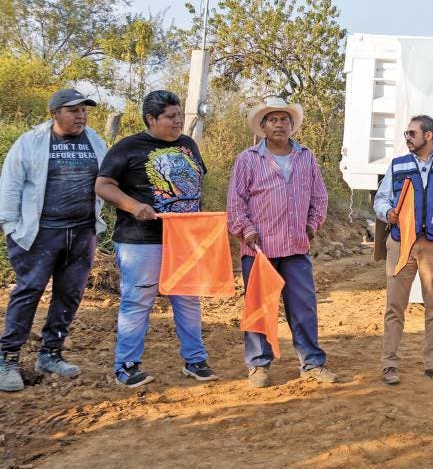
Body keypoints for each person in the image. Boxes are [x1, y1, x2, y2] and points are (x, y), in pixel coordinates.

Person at [95, 90, 217, 387]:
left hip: (185, 238)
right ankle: (127, 366)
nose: (177, 122)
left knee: (187, 298)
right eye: (170, 117)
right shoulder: (128, 147)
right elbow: (103, 185)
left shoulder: (188, 144)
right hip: (142, 240)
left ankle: (195, 360)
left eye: (179, 116)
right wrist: (134, 206)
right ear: (151, 119)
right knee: (138, 300)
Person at [0, 89, 108, 392]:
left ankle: (50, 354)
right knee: (29, 291)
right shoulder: (31, 142)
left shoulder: (95, 140)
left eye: (84, 110)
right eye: (73, 110)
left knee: (70, 293)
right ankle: (7, 359)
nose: (80, 116)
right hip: (41, 232)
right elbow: (10, 186)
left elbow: (108, 177)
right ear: (54, 114)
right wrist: (11, 227)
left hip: (82, 231)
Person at [227, 97, 336, 388]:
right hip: (259, 249)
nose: (279, 124)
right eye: (273, 120)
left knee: (303, 307)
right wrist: (246, 231)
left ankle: (312, 363)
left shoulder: (306, 156)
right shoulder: (248, 159)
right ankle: (258, 365)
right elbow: (236, 204)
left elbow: (319, 197)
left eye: (284, 119)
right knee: (260, 309)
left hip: (296, 247)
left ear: (291, 126)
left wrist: (312, 227)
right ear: (262, 127)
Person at [373, 115, 433, 385]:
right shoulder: (397, 165)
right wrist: (386, 212)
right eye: (406, 133)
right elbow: (381, 199)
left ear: (429, 136)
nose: (407, 138)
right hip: (401, 244)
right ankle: (389, 365)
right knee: (394, 307)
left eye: (412, 133)